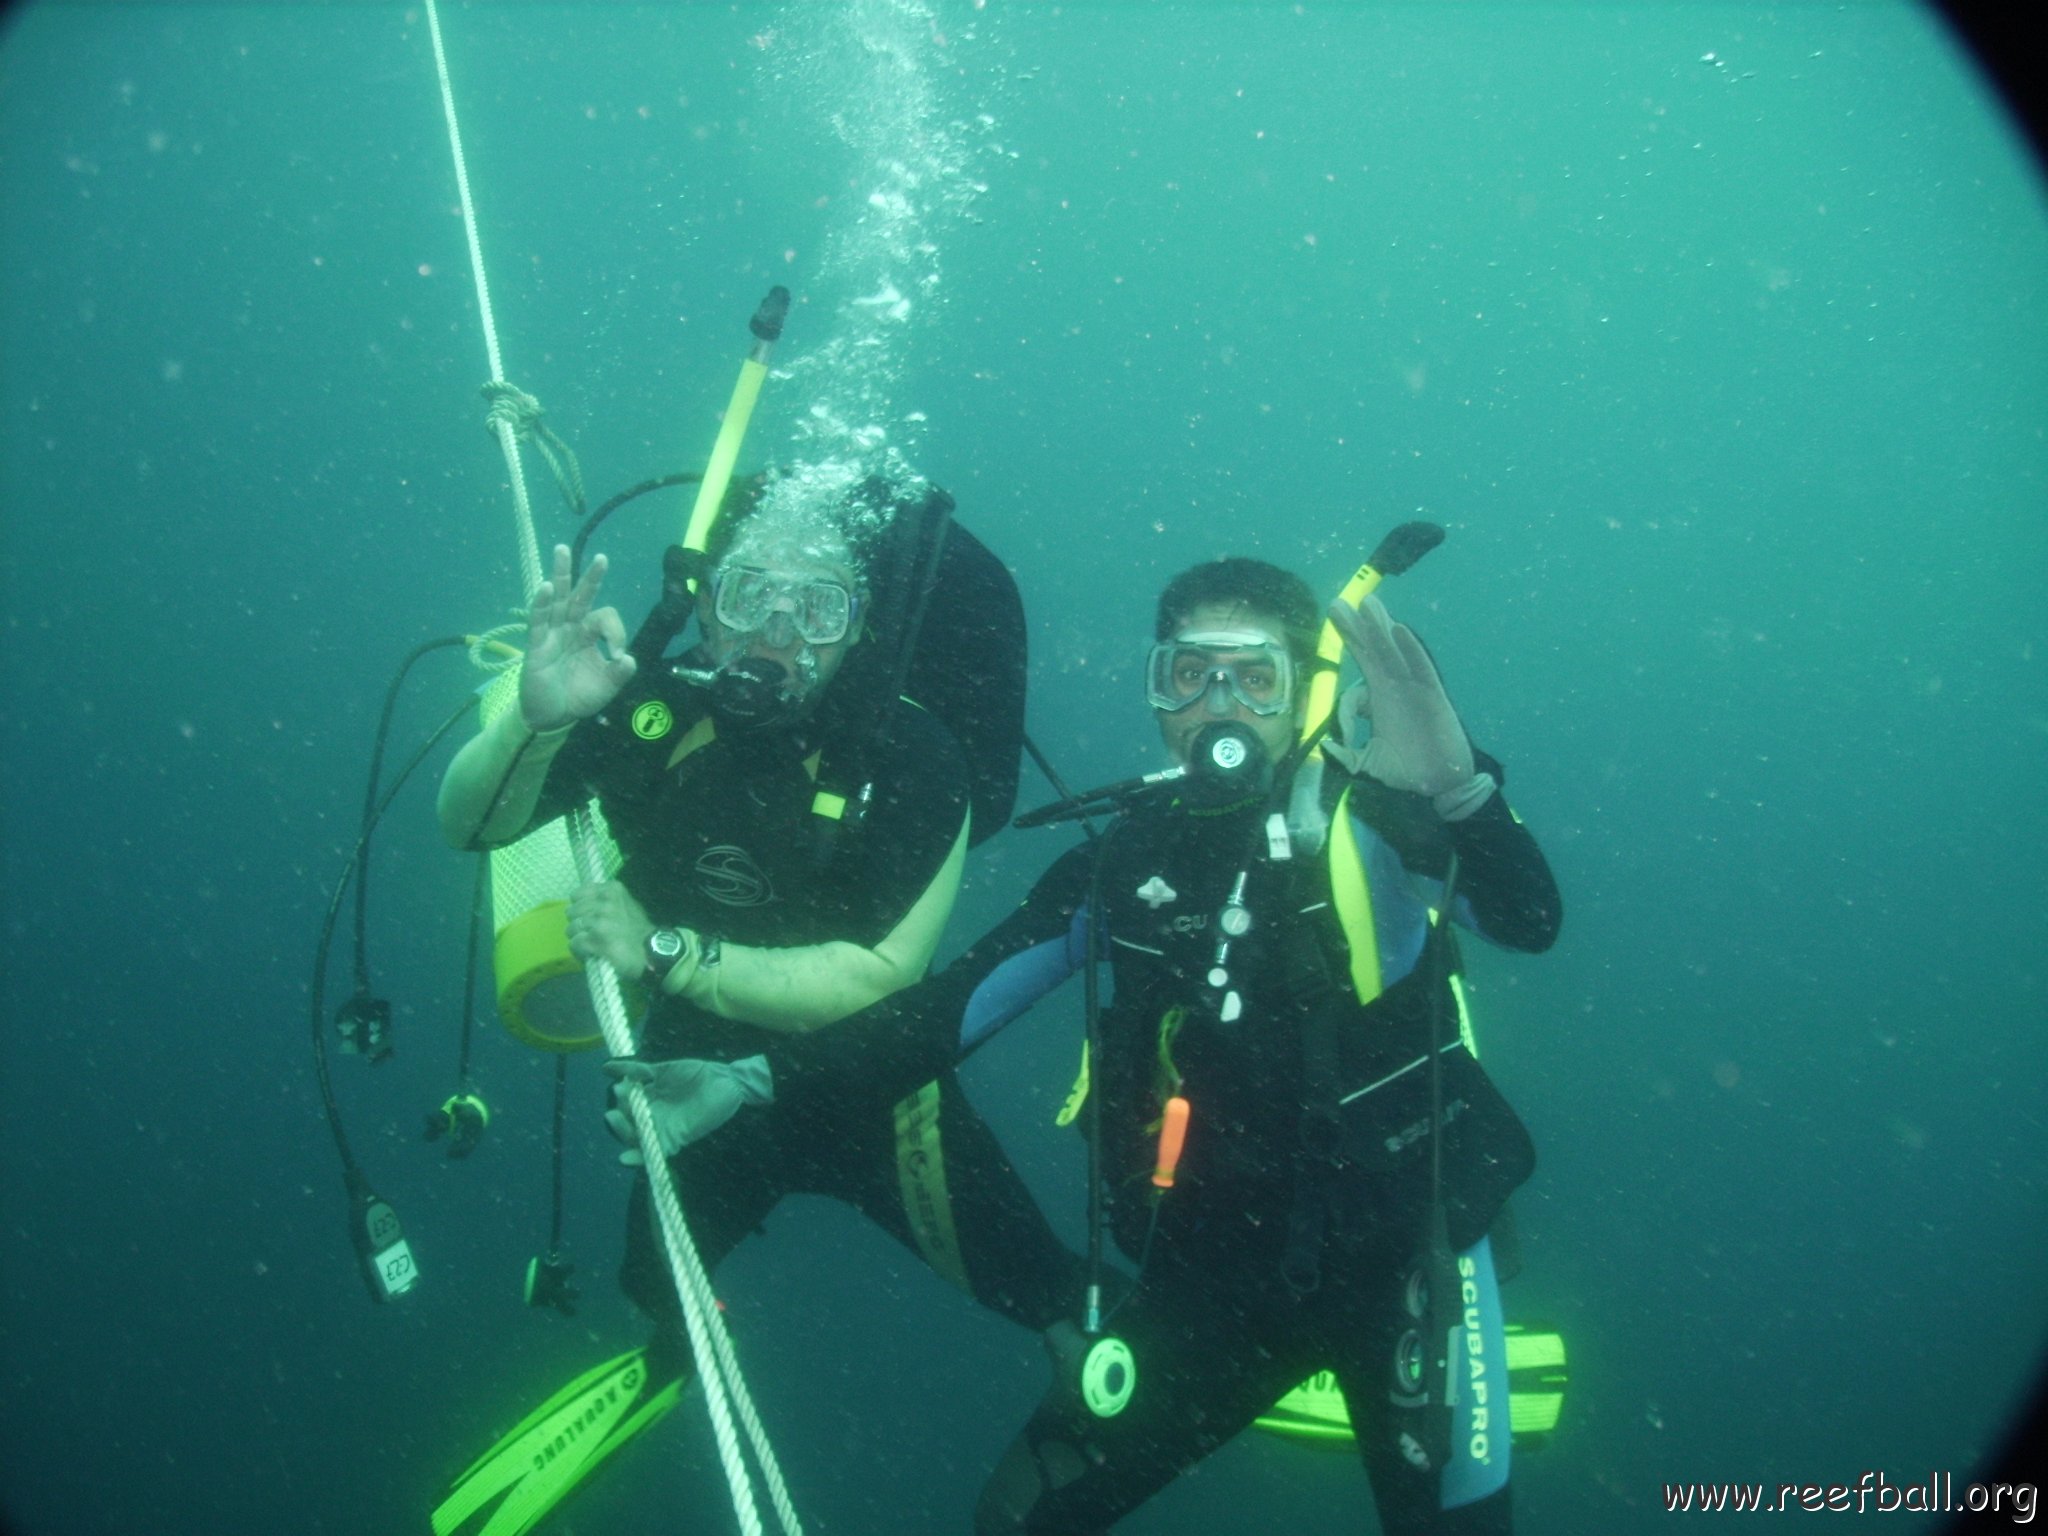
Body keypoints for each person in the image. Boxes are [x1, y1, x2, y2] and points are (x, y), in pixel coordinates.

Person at [430, 477, 1085, 1534]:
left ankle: (1093, 1392)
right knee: (660, 1281)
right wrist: (538, 722)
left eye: (815, 607)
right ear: (708, 603)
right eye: (749, 596)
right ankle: (674, 1358)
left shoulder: (917, 757)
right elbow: (472, 827)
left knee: (1045, 1297)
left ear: (859, 625)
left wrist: (666, 950)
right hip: (688, 1081)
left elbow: (878, 982)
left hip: (870, 1083)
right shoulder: (650, 708)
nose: (777, 633)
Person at [929, 555, 1564, 1535]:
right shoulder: (1122, 858)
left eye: (1254, 678)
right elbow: (945, 1015)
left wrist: (1455, 790)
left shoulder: (1373, 817)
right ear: (1155, 690)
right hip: (1210, 1285)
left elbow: (1526, 916)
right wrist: (752, 1074)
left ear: (1302, 692)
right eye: (1188, 674)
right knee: (1015, 1517)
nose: (1216, 704)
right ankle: (1276, 1373)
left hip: (1402, 1262)